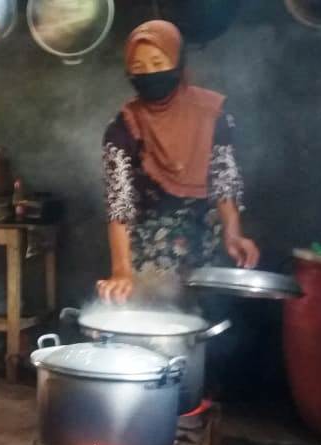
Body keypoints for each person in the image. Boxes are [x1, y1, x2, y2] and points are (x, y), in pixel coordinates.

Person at [97, 20, 259, 303]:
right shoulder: (122, 128)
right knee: (152, 319)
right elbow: (119, 204)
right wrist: (121, 271)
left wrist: (233, 235)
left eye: (158, 63)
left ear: (178, 62)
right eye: (138, 67)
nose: (149, 74)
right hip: (150, 250)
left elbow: (224, 180)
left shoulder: (212, 115)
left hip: (204, 244)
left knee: (203, 318)